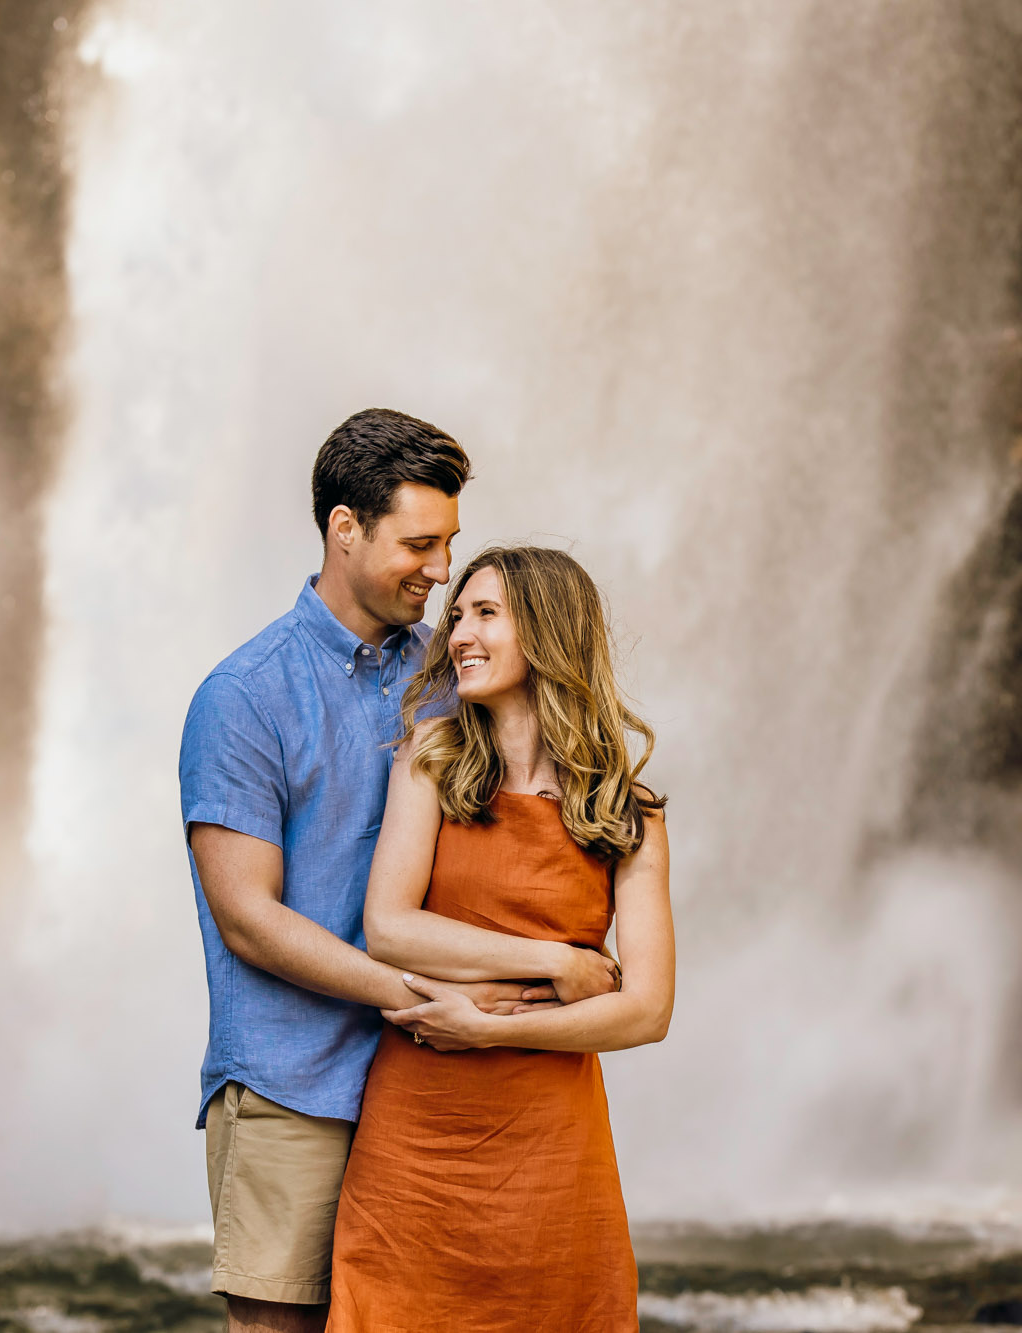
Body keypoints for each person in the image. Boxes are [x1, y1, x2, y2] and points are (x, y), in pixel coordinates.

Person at [179, 411, 624, 1333]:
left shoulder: (453, 667)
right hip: (296, 1085)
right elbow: (249, 919)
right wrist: (446, 993)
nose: (439, 570)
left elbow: (550, 819)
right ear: (346, 529)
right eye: (420, 544)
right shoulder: (244, 697)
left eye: (450, 545)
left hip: (435, 1094)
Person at [325, 544, 674, 1333]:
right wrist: (555, 961)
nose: (458, 634)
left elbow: (648, 1010)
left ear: (548, 633)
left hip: (551, 1153)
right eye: (458, 615)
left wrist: (488, 1029)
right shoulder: (429, 760)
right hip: (415, 1148)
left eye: (485, 614)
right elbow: (388, 927)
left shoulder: (628, 809)